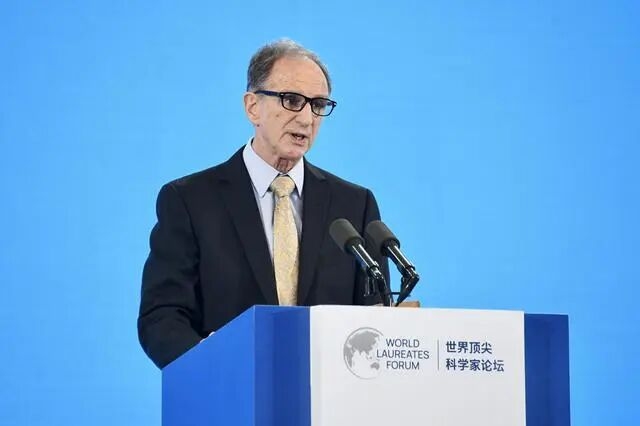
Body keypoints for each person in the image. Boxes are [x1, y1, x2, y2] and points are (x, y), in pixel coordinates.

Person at [138, 39, 388, 369]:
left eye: (318, 105)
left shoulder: (354, 205)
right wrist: (210, 365)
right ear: (252, 106)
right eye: (292, 100)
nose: (307, 118)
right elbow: (162, 317)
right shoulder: (190, 201)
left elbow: (376, 319)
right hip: (229, 389)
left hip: (329, 393)